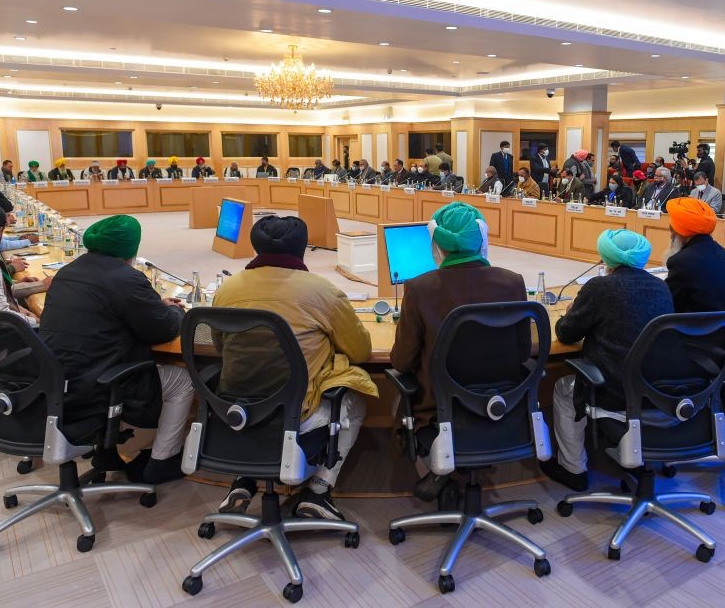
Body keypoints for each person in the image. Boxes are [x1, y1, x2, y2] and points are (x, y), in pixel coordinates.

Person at [212, 215, 374, 519]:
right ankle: (319, 491)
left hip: (237, 411)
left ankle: (244, 477)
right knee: (355, 402)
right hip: (297, 414)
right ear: (302, 249)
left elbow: (220, 349)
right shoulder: (322, 291)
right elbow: (360, 351)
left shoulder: (227, 289)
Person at [39, 215, 194, 484]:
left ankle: (112, 450)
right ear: (131, 251)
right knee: (183, 379)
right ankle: (162, 460)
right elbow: (163, 329)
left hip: (57, 385)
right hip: (97, 386)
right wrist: (173, 311)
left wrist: (155, 305)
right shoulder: (126, 278)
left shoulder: (67, 272)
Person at [390, 202, 526, 500]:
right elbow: (524, 351)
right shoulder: (513, 282)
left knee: (397, 397)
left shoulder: (419, 288)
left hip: (439, 409)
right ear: (481, 238)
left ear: (437, 245)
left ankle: (437, 473)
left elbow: (401, 360)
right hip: (501, 404)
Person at [540, 230, 673, 491]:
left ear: (607, 258)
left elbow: (566, 333)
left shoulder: (600, 287)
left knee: (564, 388)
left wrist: (572, 312)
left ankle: (573, 468)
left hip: (615, 392)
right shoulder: (661, 287)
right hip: (658, 391)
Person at [665, 197, 725, 316]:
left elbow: (667, 302)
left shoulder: (681, 261)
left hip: (697, 332)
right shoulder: (722, 252)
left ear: (682, 233)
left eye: (672, 231)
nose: (671, 237)